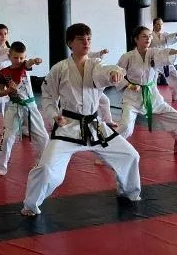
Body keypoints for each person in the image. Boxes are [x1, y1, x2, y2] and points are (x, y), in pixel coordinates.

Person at [22, 24, 142, 216]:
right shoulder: (59, 69)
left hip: (95, 127)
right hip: (68, 126)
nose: (86, 42)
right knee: (46, 168)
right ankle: (30, 205)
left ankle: (128, 192)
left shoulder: (95, 64)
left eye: (88, 38)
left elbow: (106, 71)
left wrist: (115, 73)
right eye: (80, 39)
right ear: (70, 43)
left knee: (130, 155)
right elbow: (48, 97)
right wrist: (54, 115)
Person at [116, 26, 177, 156]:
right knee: (125, 127)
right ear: (136, 39)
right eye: (144, 36)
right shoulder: (127, 57)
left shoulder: (153, 53)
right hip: (132, 98)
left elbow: (164, 53)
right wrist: (129, 85)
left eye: (150, 36)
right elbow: (117, 75)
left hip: (153, 96)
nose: (148, 39)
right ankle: (108, 150)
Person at [0, 42, 47, 177]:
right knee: (7, 138)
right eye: (15, 57)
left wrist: (35, 61)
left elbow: (29, 63)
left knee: (43, 137)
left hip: (31, 106)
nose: (19, 60)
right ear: (9, 56)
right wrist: (9, 90)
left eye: (22, 58)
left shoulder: (24, 66)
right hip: (14, 107)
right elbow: (0, 93)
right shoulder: (4, 73)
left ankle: (44, 163)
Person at [151, 18, 177, 101]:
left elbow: (171, 38)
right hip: (154, 60)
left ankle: (176, 97)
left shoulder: (165, 35)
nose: (160, 26)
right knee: (152, 80)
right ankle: (152, 99)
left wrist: (176, 35)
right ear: (154, 25)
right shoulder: (150, 35)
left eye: (161, 24)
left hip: (165, 59)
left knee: (176, 77)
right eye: (158, 24)